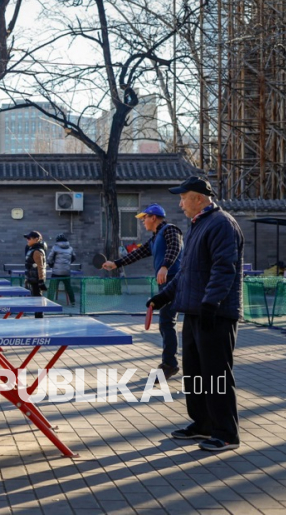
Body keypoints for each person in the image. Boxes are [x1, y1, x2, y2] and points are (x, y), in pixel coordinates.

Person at [147, 176, 244, 452]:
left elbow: (224, 269)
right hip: (194, 312)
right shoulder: (198, 225)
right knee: (195, 373)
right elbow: (188, 274)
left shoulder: (222, 224)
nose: (180, 203)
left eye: (183, 197)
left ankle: (226, 433)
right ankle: (202, 424)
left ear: (199, 198)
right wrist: (164, 296)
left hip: (215, 314)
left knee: (216, 375)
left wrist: (211, 303)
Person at [102, 204, 183, 379]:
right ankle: (171, 363)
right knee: (168, 322)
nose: (142, 222)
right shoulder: (155, 238)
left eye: (144, 218)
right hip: (166, 283)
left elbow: (175, 247)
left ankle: (170, 365)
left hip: (175, 282)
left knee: (167, 322)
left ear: (153, 217)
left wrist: (164, 266)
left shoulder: (170, 230)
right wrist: (116, 263)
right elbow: (137, 254)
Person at [46, 233, 76, 307]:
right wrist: (68, 264)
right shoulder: (70, 248)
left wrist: (51, 265)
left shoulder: (55, 247)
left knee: (52, 287)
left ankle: (49, 302)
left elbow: (49, 258)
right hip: (66, 271)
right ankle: (73, 302)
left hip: (56, 272)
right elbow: (74, 258)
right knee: (68, 287)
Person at [23, 230, 48, 319]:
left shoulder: (37, 251)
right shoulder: (32, 249)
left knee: (38, 299)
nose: (27, 240)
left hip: (36, 280)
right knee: (35, 299)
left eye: (29, 238)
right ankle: (38, 316)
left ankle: (39, 318)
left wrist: (41, 281)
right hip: (32, 279)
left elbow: (40, 267)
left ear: (36, 239)